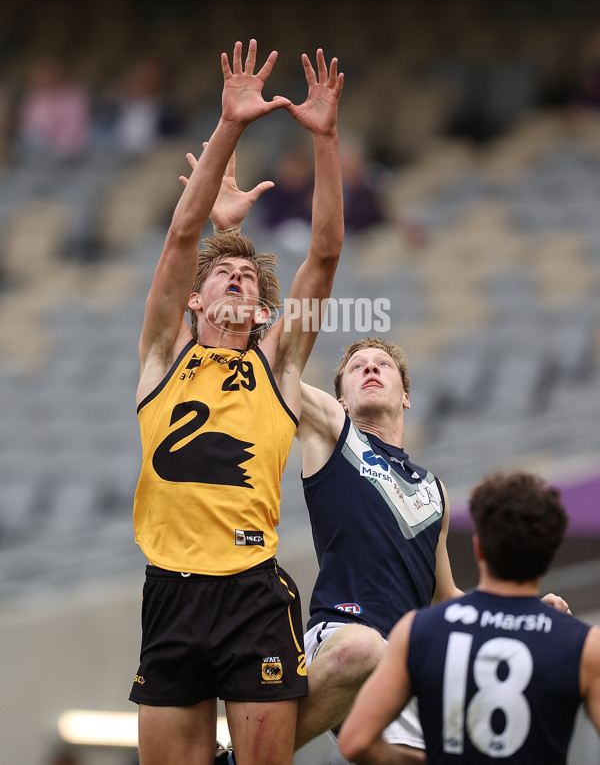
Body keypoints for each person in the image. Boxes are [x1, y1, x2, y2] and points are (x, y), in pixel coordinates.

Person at [128, 39, 344, 765]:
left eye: (251, 281)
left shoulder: (280, 367)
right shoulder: (164, 358)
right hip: (171, 595)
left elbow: (325, 256)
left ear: (259, 312)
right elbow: (185, 233)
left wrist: (325, 140)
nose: (240, 281)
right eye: (226, 275)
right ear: (195, 297)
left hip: (252, 595)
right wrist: (230, 125)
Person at [291, 339, 571, 764]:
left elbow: (443, 596)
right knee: (361, 649)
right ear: (341, 400)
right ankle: (247, 756)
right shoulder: (331, 431)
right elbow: (277, 374)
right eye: (357, 367)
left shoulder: (433, 490)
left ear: (405, 395)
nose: (370, 370)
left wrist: (524, 612)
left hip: (404, 660)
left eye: (382, 365)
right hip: (341, 638)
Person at [338, 471, 600, 764]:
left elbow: (355, 742)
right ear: (549, 553)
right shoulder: (585, 645)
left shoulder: (417, 632)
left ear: (478, 548)